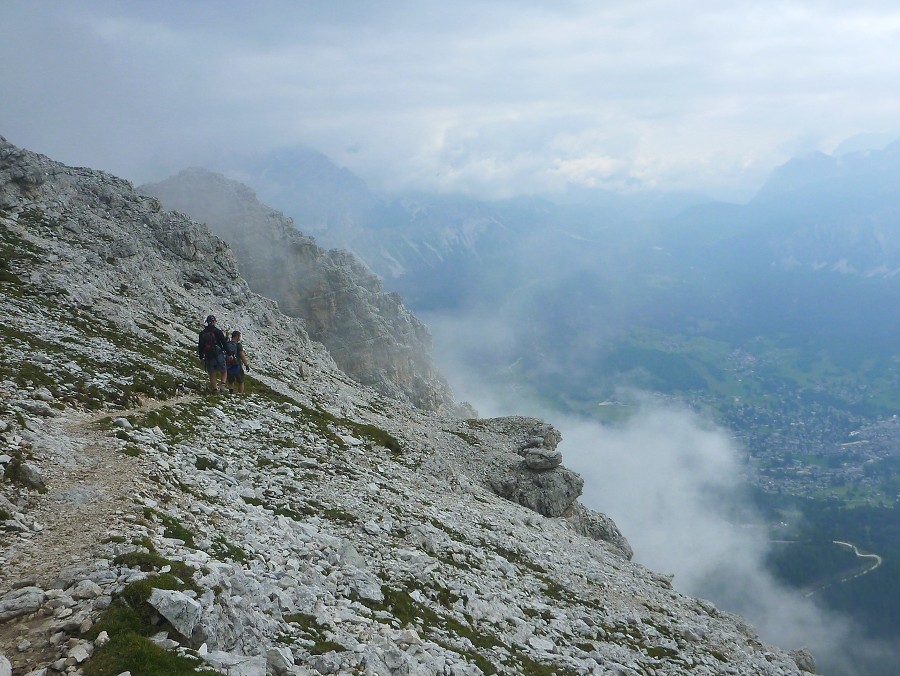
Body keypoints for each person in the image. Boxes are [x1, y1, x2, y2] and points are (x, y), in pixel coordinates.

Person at [198, 315, 228, 393]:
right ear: (214, 321)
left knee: (212, 373)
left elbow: (200, 346)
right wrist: (228, 353)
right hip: (219, 354)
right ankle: (222, 385)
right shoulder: (217, 331)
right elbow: (224, 343)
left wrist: (201, 357)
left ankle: (215, 389)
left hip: (208, 355)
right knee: (224, 370)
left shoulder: (202, 333)